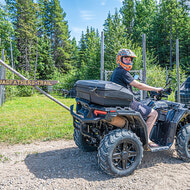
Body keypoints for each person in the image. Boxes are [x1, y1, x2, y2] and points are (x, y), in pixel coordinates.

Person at [110, 49, 163, 148]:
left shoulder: (116, 71)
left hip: (119, 102)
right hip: (127, 103)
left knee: (143, 107)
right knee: (153, 113)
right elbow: (138, 85)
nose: (129, 61)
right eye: (126, 58)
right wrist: (156, 89)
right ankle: (146, 140)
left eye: (130, 59)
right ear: (119, 59)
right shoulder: (123, 72)